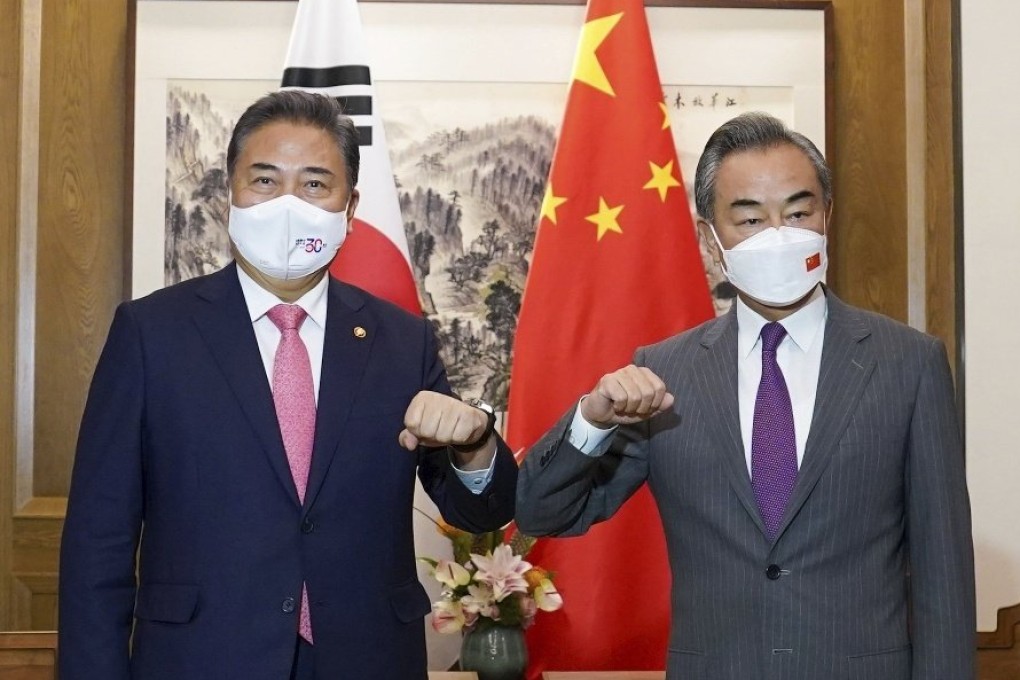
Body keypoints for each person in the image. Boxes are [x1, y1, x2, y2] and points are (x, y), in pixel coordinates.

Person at [58, 90, 518, 680]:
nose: (287, 205)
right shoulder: (152, 334)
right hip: (201, 659)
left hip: (366, 658)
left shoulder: (402, 341)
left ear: (350, 207)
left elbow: (480, 512)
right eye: (265, 181)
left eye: (315, 184)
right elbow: (98, 540)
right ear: (230, 192)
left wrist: (475, 445)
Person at [515, 112, 974, 680]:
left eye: (798, 212)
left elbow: (943, 570)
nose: (779, 234)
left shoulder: (908, 363)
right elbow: (542, 512)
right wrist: (592, 418)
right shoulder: (665, 374)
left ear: (827, 216)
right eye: (751, 218)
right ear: (712, 238)